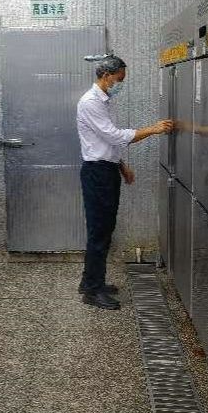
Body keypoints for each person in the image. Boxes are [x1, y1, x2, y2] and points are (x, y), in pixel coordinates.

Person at [76, 55, 173, 310]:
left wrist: (121, 166)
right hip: (97, 173)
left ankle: (89, 281)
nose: (120, 84)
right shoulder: (91, 102)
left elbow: (106, 142)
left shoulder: (104, 101)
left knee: (104, 229)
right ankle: (93, 290)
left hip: (106, 169)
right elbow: (115, 136)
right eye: (119, 79)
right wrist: (153, 129)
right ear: (106, 75)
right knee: (99, 231)